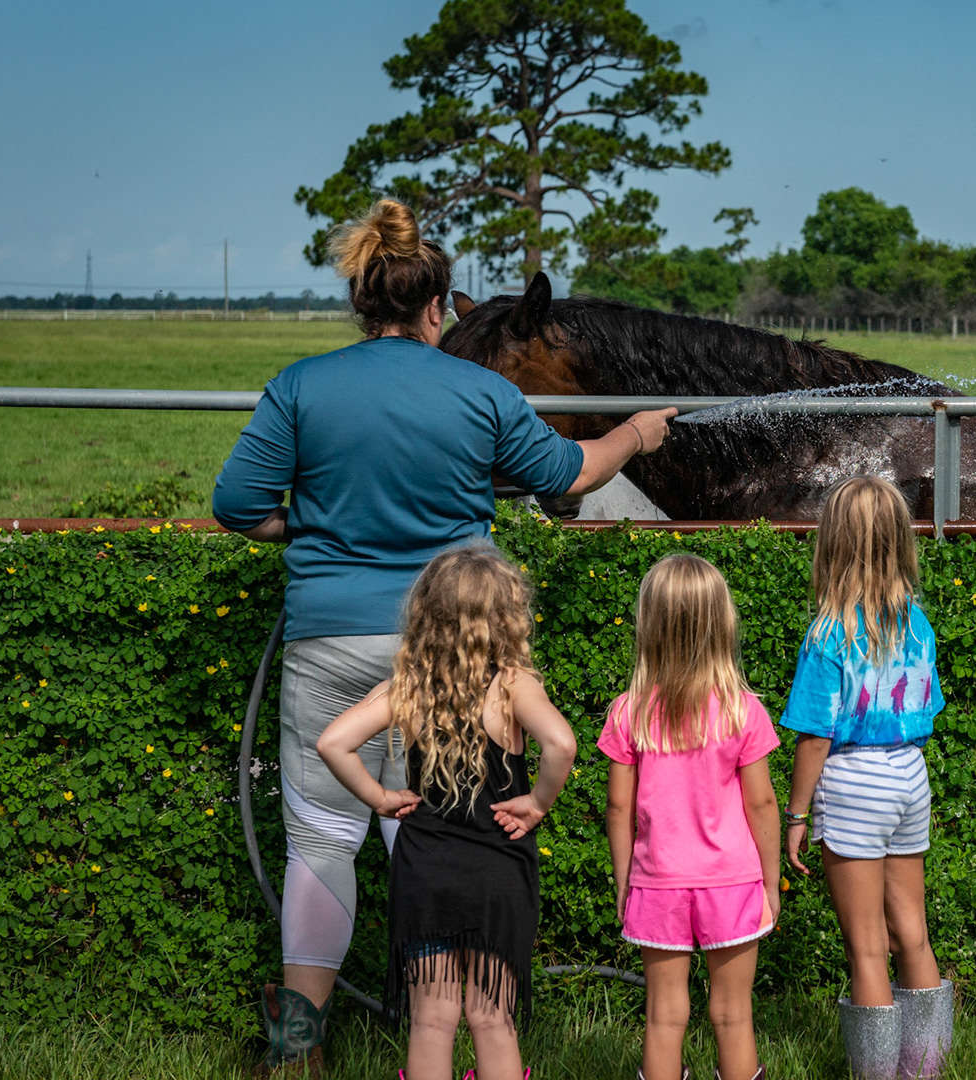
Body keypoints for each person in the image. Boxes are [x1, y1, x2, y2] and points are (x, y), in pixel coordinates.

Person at [211, 197, 675, 1076]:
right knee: (434, 837)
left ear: (360, 302)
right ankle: (468, 1036)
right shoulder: (481, 391)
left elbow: (236, 505)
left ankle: (298, 1046)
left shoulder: (303, 386)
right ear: (436, 309)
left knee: (320, 839)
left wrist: (309, 534)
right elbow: (569, 474)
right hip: (457, 654)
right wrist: (636, 430)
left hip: (327, 640)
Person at [316, 547, 575, 1080]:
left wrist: (380, 798)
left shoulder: (408, 687)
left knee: (431, 1021)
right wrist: (537, 803)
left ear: (425, 615)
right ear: (507, 616)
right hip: (496, 873)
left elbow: (333, 743)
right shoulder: (512, 686)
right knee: (492, 1018)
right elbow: (562, 744)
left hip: (425, 872)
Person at [779, 477, 954, 1080]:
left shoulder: (828, 635)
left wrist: (796, 815)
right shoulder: (918, 625)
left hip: (853, 781)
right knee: (914, 935)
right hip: (911, 774)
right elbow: (928, 711)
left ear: (833, 544)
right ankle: (924, 1071)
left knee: (867, 948)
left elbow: (814, 736)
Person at [598, 555, 782, 1080]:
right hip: (733, 880)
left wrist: (623, 881)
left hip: (658, 882)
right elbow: (762, 804)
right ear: (721, 622)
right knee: (732, 1014)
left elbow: (618, 809)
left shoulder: (627, 711)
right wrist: (771, 882)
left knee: (662, 1016)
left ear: (648, 623)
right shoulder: (743, 709)